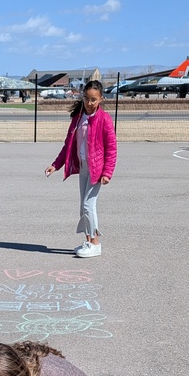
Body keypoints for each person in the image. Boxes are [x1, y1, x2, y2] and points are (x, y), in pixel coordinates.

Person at [45, 79, 117, 258]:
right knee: (82, 207)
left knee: (88, 205)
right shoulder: (78, 118)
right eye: (86, 98)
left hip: (97, 169)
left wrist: (107, 172)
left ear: (101, 99)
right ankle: (88, 241)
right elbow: (68, 145)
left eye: (93, 99)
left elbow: (112, 148)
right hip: (83, 167)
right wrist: (56, 164)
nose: (89, 103)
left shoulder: (104, 119)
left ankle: (95, 244)